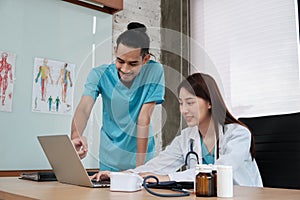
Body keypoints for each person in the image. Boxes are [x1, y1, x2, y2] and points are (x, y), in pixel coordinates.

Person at [92, 73, 263, 187]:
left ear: (210, 102)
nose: (183, 110)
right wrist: (120, 175)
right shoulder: (187, 137)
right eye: (181, 103)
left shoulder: (238, 134)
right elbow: (158, 166)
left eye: (190, 102)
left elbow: (220, 170)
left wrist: (168, 178)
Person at [71, 22, 165, 172]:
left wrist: (139, 169)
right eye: (120, 61)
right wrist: (76, 135)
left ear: (145, 59)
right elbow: (84, 108)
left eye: (133, 63)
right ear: (115, 51)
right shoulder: (99, 74)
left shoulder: (154, 71)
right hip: (110, 161)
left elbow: (144, 117)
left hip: (142, 159)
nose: (125, 69)